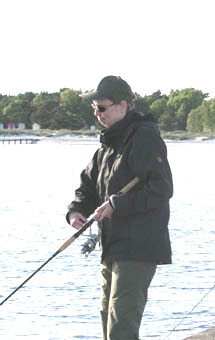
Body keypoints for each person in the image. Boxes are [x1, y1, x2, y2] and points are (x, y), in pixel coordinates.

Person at [66, 76, 173, 339]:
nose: (96, 113)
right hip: (111, 244)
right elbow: (88, 186)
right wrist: (76, 210)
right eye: (94, 108)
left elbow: (162, 190)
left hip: (138, 246)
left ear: (122, 106)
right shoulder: (108, 143)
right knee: (108, 318)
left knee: (121, 325)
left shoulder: (144, 138)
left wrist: (118, 204)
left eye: (101, 107)